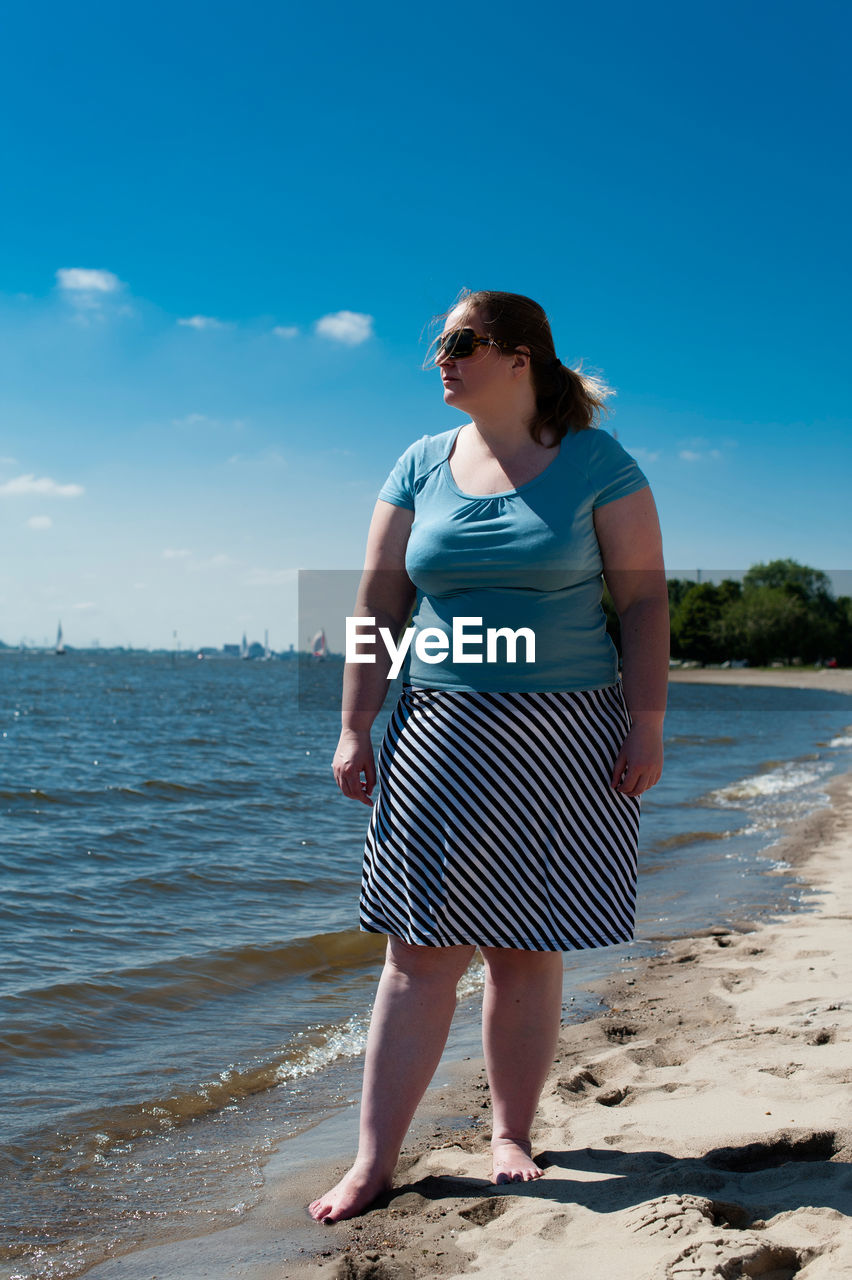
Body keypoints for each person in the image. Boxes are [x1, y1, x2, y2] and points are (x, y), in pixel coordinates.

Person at [308, 289, 669, 1224]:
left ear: (521, 359)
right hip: (439, 731)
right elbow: (379, 605)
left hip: (566, 734)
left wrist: (647, 721)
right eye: (439, 344)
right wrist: (356, 723)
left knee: (525, 948)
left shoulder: (597, 462)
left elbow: (642, 606)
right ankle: (373, 1161)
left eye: (461, 342)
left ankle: (511, 1132)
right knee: (419, 949)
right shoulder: (419, 464)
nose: (442, 357)